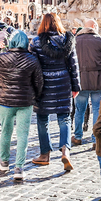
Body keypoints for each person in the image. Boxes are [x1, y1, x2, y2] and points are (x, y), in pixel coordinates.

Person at [0, 31, 44, 180]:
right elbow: (39, 82)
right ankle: (19, 167)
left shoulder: (2, 57)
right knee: (23, 134)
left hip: (5, 101)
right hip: (25, 101)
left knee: (6, 131)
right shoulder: (32, 59)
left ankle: (4, 161)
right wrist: (35, 96)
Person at [30, 13, 80, 170]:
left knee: (42, 119)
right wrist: (76, 86)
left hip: (43, 83)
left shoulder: (36, 42)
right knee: (64, 118)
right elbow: (74, 64)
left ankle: (45, 154)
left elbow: (32, 65)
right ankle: (65, 150)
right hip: (63, 82)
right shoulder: (67, 40)